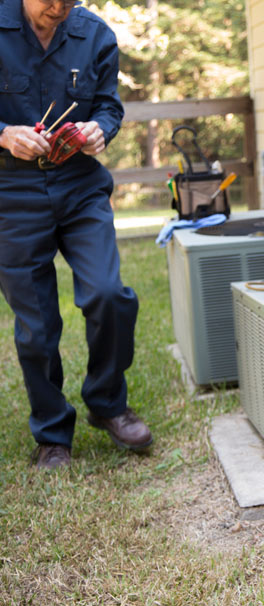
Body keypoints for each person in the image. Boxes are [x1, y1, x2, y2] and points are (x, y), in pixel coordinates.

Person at [0, 0, 152, 469]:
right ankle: (52, 434)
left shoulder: (95, 34)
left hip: (81, 185)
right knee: (37, 324)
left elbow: (108, 105)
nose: (59, 8)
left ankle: (107, 403)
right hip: (12, 190)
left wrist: (100, 128)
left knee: (108, 294)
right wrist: (4, 134)